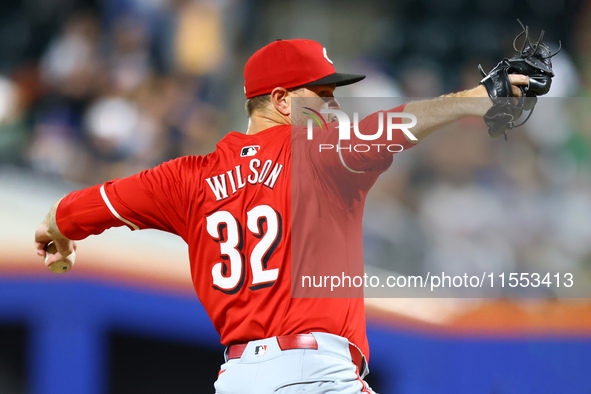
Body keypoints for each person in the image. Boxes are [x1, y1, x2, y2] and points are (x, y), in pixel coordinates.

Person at [35, 39, 529, 393]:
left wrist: (57, 232)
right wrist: (479, 97)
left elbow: (84, 206)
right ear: (279, 100)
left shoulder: (184, 179)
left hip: (237, 379)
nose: (335, 106)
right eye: (323, 94)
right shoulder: (319, 153)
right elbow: (396, 124)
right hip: (316, 373)